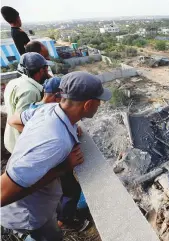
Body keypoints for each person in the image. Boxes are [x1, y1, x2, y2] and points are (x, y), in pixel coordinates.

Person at [1, 71, 112, 240]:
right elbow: (2, 193)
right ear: (88, 104)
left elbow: (14, 120)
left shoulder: (48, 109)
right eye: (99, 102)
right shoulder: (55, 142)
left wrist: (70, 128)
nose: (100, 106)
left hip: (40, 205)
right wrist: (62, 167)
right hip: (29, 215)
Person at [4, 52, 50, 153]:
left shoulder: (13, 82)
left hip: (11, 139)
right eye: (46, 68)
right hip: (23, 145)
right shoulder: (30, 91)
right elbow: (21, 121)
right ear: (42, 70)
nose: (47, 71)